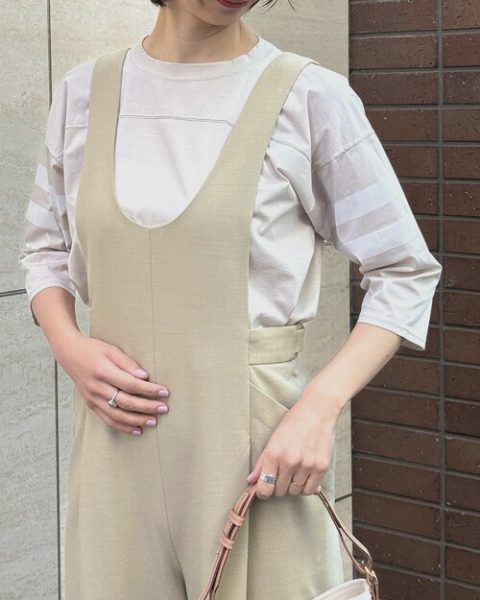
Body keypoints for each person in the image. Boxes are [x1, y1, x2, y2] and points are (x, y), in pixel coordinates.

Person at [18, 0, 442, 598]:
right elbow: (45, 250)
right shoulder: (82, 94)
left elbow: (404, 269)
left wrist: (319, 408)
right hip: (114, 446)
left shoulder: (309, 98)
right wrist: (69, 346)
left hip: (261, 454)